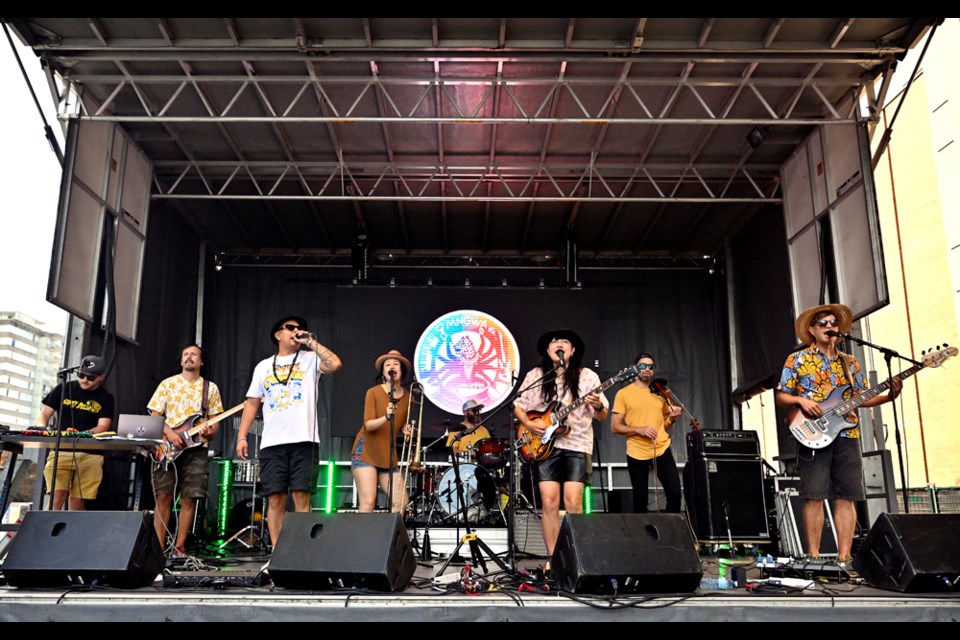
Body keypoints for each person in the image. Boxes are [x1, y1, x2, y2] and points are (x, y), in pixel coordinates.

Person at [775, 303, 901, 565]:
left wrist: (890, 395)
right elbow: (781, 395)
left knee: (848, 495)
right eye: (823, 323)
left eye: (833, 323)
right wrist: (800, 401)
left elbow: (860, 397)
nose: (829, 327)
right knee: (814, 494)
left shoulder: (850, 362)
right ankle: (814, 556)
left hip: (847, 434)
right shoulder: (797, 359)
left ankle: (845, 559)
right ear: (811, 330)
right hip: (811, 431)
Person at [237, 315, 342, 546]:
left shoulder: (310, 358)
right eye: (291, 328)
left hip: (304, 439)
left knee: (301, 496)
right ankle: (277, 551)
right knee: (275, 498)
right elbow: (252, 402)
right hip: (272, 442)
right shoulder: (263, 366)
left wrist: (310, 341)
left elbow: (334, 364)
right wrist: (242, 436)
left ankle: (304, 550)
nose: (297, 332)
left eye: (301, 329)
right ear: (278, 334)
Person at [513, 329, 608, 557]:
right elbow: (518, 404)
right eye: (555, 342)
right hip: (545, 446)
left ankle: (577, 557)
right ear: (548, 350)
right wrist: (528, 422)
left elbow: (603, 415)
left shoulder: (587, 377)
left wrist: (596, 405)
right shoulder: (536, 374)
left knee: (574, 501)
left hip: (577, 444)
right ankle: (553, 559)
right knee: (549, 502)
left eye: (565, 342)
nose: (559, 344)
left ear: (572, 350)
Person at [148, 343, 224, 555]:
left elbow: (215, 422)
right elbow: (155, 415)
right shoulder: (167, 384)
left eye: (194, 355)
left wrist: (210, 432)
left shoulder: (210, 388)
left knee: (190, 496)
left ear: (201, 362)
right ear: (181, 361)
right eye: (185, 355)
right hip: (166, 447)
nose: (189, 357)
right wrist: (170, 433)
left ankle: (179, 547)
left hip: (196, 449)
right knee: (163, 496)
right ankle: (157, 548)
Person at [35, 355, 115, 511]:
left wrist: (80, 434)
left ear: (101, 377)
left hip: (90, 454)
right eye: (81, 375)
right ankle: (44, 533)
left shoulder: (106, 398)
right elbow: (44, 414)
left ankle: (71, 535)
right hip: (61, 451)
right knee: (56, 498)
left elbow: (103, 426)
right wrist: (41, 428)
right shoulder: (64, 388)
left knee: (77, 502)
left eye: (90, 377)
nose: (85, 380)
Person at [610, 352, 683, 513]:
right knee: (640, 500)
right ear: (635, 368)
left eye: (650, 366)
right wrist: (638, 429)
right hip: (637, 451)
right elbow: (615, 427)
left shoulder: (660, 392)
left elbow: (662, 426)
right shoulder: (623, 394)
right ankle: (645, 536)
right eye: (643, 366)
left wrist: (672, 418)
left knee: (675, 493)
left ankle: (671, 532)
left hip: (661, 448)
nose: (647, 369)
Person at [351, 350, 414, 513]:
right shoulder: (373, 392)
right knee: (368, 501)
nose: (392, 366)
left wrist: (404, 429)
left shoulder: (409, 398)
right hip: (366, 449)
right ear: (383, 372)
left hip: (388, 453)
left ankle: (390, 538)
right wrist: (386, 417)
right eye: (387, 364)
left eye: (396, 364)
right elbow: (368, 425)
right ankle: (362, 539)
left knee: (401, 501)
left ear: (402, 370)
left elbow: (398, 422)